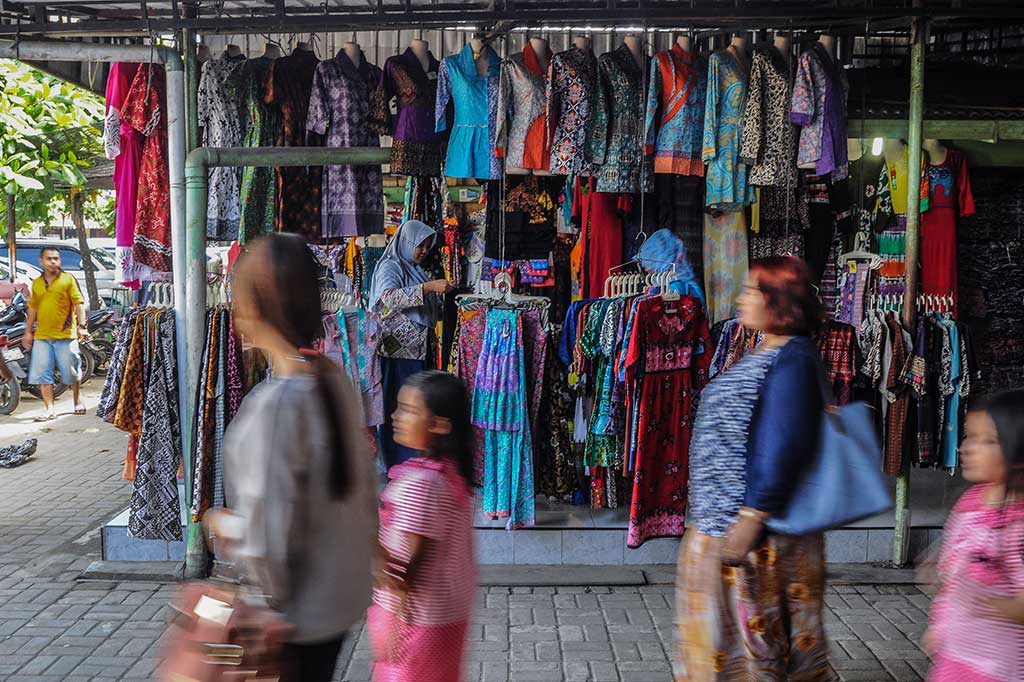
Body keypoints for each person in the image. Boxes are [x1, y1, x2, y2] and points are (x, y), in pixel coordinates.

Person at [207, 234, 377, 682]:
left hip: (292, 621)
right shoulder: (332, 379)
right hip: (334, 606)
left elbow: (269, 533)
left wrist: (222, 524)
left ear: (256, 306)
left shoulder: (278, 404)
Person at [678, 256, 835, 681]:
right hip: (727, 525)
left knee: (759, 654)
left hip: (757, 535)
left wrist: (751, 517)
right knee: (734, 651)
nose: (741, 299)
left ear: (777, 298)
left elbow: (784, 442)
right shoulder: (770, 349)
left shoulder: (793, 358)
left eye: (751, 290)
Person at [369, 370, 476, 682]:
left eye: (409, 410)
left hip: (415, 622)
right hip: (443, 617)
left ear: (439, 425)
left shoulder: (423, 484)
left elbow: (407, 572)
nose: (395, 416)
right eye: (399, 406)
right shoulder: (448, 474)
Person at [924, 389, 1024, 682]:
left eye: (987, 441)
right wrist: (940, 624)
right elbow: (955, 576)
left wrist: (984, 601)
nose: (966, 448)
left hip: (999, 666)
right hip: (955, 655)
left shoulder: (1016, 523)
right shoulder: (971, 501)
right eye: (969, 436)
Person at [368, 219, 454, 470]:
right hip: (397, 352)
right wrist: (429, 287)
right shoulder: (390, 267)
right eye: (420, 245)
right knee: (400, 407)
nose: (424, 251)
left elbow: (425, 310)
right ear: (406, 242)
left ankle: (414, 461)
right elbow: (387, 298)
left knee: (417, 407)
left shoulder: (413, 269)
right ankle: (398, 464)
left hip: (415, 352)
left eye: (427, 246)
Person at [22, 246, 88, 420]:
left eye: (56, 258)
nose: (53, 262)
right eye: (49, 259)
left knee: (71, 372)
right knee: (43, 373)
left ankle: (77, 399)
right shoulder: (36, 283)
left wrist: (82, 326)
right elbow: (33, 309)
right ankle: (49, 408)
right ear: (41, 262)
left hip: (65, 335)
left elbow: (78, 304)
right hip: (42, 336)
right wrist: (28, 332)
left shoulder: (68, 279)